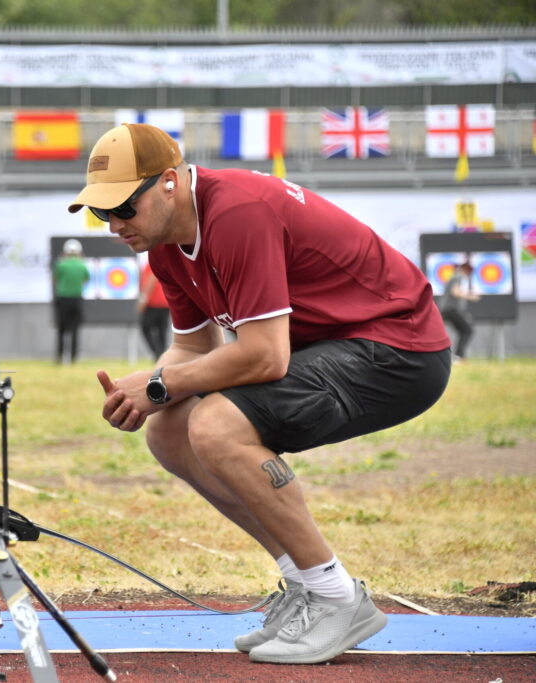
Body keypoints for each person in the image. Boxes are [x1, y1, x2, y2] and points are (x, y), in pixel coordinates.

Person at [68, 123, 451, 665]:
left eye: (123, 208)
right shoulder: (167, 247)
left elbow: (266, 355)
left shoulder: (236, 213)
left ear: (170, 183)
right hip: (341, 346)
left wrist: (161, 384)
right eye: (99, 212)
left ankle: (338, 598)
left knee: (216, 425)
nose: (112, 225)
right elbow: (193, 349)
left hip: (399, 349)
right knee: (170, 431)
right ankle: (307, 585)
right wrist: (146, 390)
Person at [52, 238, 90, 364]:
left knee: (62, 329)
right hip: (77, 299)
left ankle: (60, 356)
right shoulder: (82, 265)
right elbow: (86, 279)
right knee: (75, 329)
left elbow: (55, 279)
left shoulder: (61, 264)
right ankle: (74, 357)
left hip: (63, 299)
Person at [440, 261, 480, 361]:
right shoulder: (458, 276)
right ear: (466, 270)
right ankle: (459, 356)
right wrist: (470, 296)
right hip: (451, 310)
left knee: (463, 331)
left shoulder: (454, 276)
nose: (469, 275)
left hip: (448, 310)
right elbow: (455, 292)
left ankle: (458, 356)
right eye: (469, 272)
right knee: (467, 330)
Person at [137, 259, 171, 359]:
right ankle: (161, 355)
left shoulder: (152, 262)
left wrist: (143, 299)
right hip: (165, 302)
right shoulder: (161, 261)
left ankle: (158, 354)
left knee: (146, 327)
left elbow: (152, 279)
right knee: (162, 331)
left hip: (154, 303)